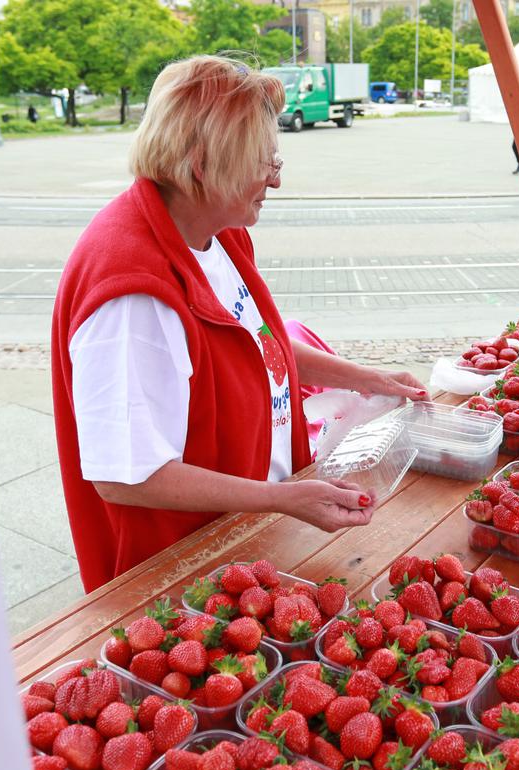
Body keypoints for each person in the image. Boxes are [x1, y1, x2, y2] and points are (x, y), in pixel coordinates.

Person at [51, 56, 428, 593]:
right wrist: (279, 499)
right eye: (262, 160)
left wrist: (365, 377)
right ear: (202, 164)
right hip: (181, 572)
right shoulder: (132, 295)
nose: (275, 178)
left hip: (248, 536)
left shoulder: (215, 231)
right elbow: (124, 476)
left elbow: (257, 345)